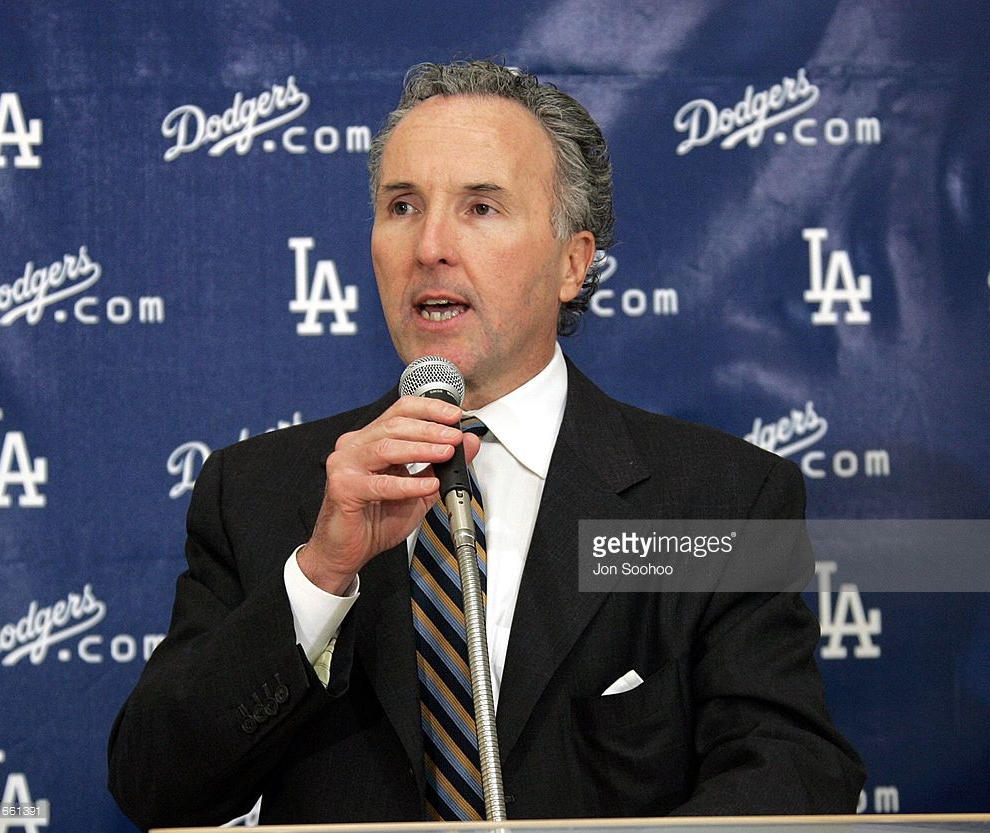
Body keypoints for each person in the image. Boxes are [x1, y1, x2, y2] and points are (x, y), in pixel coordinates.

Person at [108, 60, 865, 829]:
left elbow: (793, 771)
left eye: (480, 207)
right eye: (403, 206)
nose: (430, 245)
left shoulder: (718, 501)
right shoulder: (257, 491)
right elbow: (155, 785)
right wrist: (319, 578)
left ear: (573, 262)